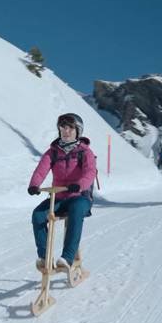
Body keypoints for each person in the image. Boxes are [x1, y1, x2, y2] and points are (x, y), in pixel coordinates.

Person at [27, 113, 97, 271]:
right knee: (38, 215)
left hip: (79, 197)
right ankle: (45, 257)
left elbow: (90, 172)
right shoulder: (53, 152)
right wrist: (34, 185)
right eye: (63, 127)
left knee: (76, 209)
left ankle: (67, 257)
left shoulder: (85, 152)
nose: (66, 131)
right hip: (58, 198)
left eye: (70, 128)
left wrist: (79, 185)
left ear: (78, 130)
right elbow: (41, 170)